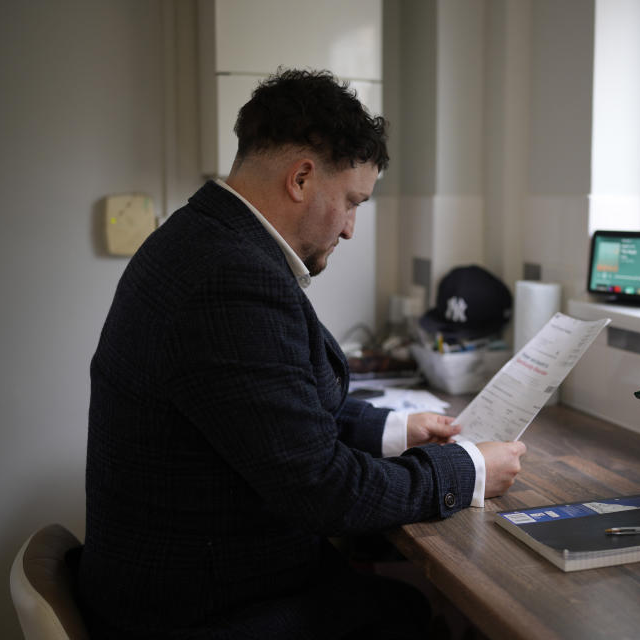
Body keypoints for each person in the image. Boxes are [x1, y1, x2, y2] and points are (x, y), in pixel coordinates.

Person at [77, 68, 527, 639]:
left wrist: (397, 430)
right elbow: (324, 489)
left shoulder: (198, 239)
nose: (350, 230)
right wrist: (468, 469)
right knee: (413, 613)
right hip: (200, 612)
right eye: (352, 202)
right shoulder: (230, 277)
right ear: (302, 178)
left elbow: (269, 411)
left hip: (177, 584)